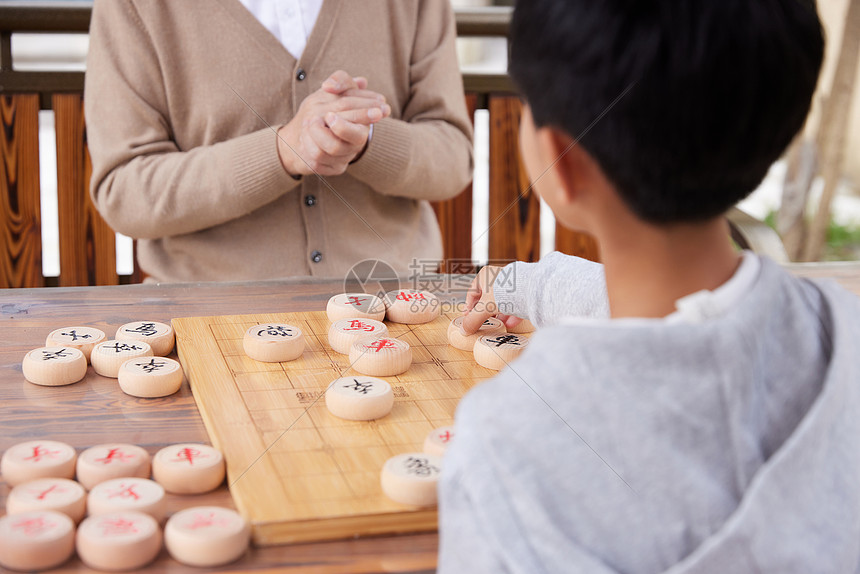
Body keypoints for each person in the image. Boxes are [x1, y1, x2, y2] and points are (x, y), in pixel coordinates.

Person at [438, 0, 860, 572]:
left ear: (561, 166)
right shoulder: (845, 333)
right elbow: (690, 326)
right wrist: (524, 284)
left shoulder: (505, 447)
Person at [85, 0, 473, 283]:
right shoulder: (133, 7)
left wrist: (364, 137)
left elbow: (454, 157)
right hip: (209, 318)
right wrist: (282, 152)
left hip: (395, 309)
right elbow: (125, 190)